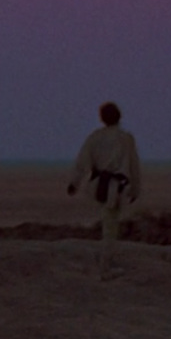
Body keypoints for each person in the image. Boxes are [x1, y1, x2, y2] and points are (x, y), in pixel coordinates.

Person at [67, 102, 141, 279]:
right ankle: (105, 267)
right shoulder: (126, 138)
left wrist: (74, 183)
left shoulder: (95, 137)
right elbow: (134, 165)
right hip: (114, 187)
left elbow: (82, 162)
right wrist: (135, 189)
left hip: (100, 185)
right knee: (110, 225)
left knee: (109, 222)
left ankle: (106, 262)